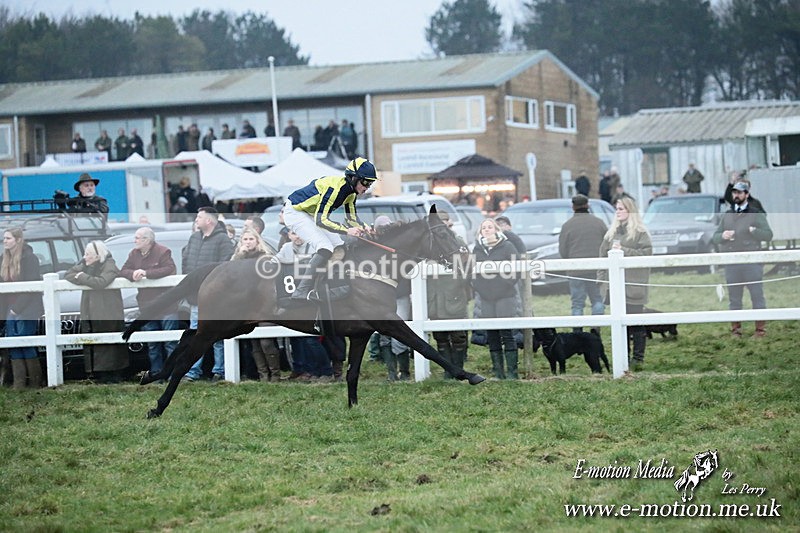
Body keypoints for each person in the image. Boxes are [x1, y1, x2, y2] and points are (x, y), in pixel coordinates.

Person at [282, 157, 377, 303]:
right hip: (294, 212)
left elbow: (352, 219)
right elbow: (321, 220)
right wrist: (347, 231)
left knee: (339, 246)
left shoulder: (351, 193)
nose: (367, 187)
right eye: (365, 182)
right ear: (353, 178)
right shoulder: (335, 189)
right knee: (325, 247)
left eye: (370, 183)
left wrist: (365, 227)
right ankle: (301, 291)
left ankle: (327, 283)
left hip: (309, 213)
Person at [597, 196, 652, 371]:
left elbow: (647, 255)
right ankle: (623, 358)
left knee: (636, 324)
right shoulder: (610, 233)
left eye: (621, 208)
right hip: (614, 287)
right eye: (617, 209)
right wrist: (601, 280)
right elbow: (601, 256)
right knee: (619, 325)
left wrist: (624, 251)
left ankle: (638, 359)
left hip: (634, 286)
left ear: (630, 210)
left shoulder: (641, 233)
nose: (618, 212)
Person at [712, 181, 773, 338]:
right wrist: (723, 236)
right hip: (732, 263)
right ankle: (736, 330)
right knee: (734, 298)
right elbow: (715, 237)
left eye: (739, 192)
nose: (736, 195)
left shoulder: (756, 213)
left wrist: (754, 231)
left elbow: (768, 235)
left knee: (757, 296)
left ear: (746, 194)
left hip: (752, 262)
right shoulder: (728, 214)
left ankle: (760, 330)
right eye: (734, 193)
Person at [271, 229, 334, 380]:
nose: (297, 236)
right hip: (292, 297)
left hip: (310, 297)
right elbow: (275, 261)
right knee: (296, 338)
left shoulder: (314, 247)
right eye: (293, 233)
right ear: (289, 235)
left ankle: (326, 371)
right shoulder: (286, 248)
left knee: (310, 339)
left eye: (299, 233)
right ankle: (303, 370)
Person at [182, 207, 235, 382]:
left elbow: (225, 265)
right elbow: (186, 262)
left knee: (218, 334)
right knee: (195, 332)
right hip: (196, 295)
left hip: (216, 297)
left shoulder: (223, 240)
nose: (196, 220)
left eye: (199, 217)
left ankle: (219, 371)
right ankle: (192, 371)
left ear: (209, 220)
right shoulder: (194, 238)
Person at [119, 227, 180, 377]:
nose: (135, 241)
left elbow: (169, 269)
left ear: (147, 240)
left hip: (167, 304)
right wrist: (133, 274)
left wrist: (146, 273)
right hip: (146, 305)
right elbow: (123, 270)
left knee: (170, 342)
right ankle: (156, 374)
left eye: (138, 238)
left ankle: (173, 374)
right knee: (152, 343)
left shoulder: (163, 251)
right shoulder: (133, 254)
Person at [65, 240, 128, 382]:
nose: (85, 257)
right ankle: (96, 375)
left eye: (88, 254)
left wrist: (82, 277)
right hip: (91, 310)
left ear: (98, 256)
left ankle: (112, 377)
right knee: (93, 341)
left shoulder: (110, 265)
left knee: (109, 344)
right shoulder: (86, 264)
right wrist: (83, 277)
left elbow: (101, 282)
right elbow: (69, 274)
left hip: (108, 310)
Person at [232, 227, 282, 381]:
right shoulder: (237, 258)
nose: (248, 242)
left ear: (257, 241)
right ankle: (263, 376)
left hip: (265, 305)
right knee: (254, 343)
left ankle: (275, 375)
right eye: (245, 239)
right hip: (247, 305)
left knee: (266, 342)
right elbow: (232, 274)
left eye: (251, 239)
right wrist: (240, 255)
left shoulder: (266, 257)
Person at [472, 219, 519, 379]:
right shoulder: (477, 249)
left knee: (506, 331)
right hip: (486, 296)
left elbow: (516, 269)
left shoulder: (507, 246)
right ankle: (498, 372)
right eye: (483, 227)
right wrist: (479, 287)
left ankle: (512, 373)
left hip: (505, 294)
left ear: (496, 229)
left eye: (489, 227)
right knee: (491, 332)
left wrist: (504, 283)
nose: (486, 230)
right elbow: (472, 272)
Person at [426, 212, 470, 379]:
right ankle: (448, 371)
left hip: (453, 293)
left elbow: (467, 265)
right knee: (440, 337)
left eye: (445, 221)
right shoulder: (427, 244)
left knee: (458, 335)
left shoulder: (457, 242)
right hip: (434, 296)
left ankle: (459, 370)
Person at [0, 228, 44, 389]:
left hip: (28, 307)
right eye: (4, 238)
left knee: (26, 342)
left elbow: (31, 287)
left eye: (8, 238)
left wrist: (17, 309)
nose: (5, 241)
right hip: (9, 306)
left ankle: (35, 381)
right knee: (13, 343)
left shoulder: (30, 259)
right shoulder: (3, 259)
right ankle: (19, 382)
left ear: (18, 240)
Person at [559, 194, 608, 330]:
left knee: (577, 303)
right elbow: (606, 244)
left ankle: (577, 331)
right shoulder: (599, 223)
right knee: (597, 300)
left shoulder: (567, 225)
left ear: (573, 206)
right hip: (596, 269)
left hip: (576, 270)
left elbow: (563, 250)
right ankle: (595, 330)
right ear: (587, 205)